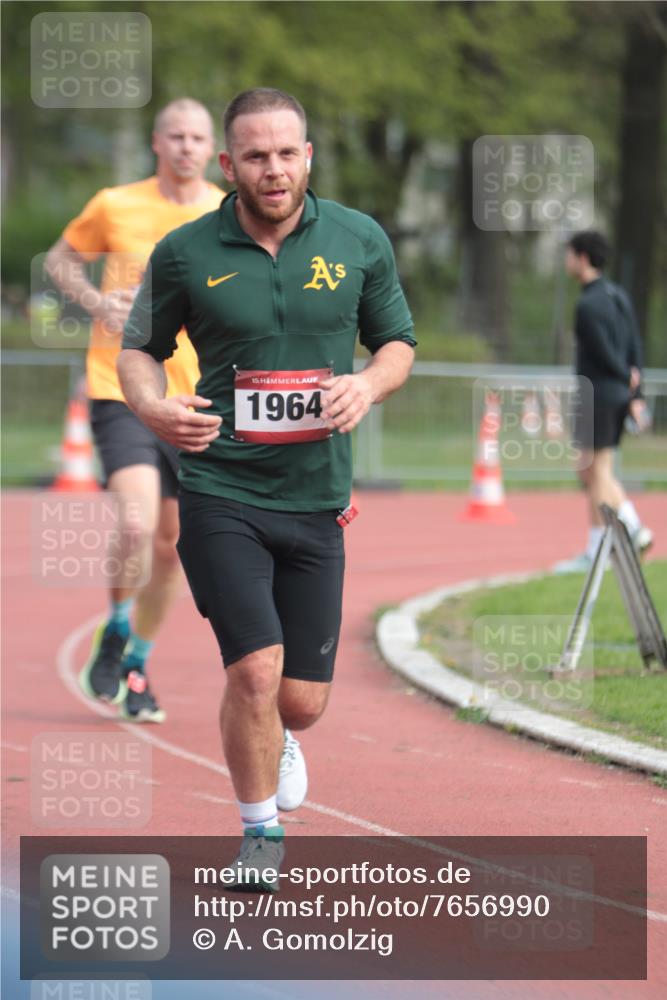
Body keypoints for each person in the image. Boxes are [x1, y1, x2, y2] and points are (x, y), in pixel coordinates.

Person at [118, 87, 416, 888]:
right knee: (252, 672)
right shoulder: (185, 252)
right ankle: (259, 835)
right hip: (220, 486)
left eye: (287, 153)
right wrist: (153, 409)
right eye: (255, 155)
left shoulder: (358, 239)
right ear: (229, 164)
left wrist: (368, 384)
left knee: (300, 701)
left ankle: (278, 733)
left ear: (308, 156)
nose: (273, 169)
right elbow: (137, 349)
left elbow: (396, 343)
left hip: (317, 497)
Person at [45, 98, 224, 721]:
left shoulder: (224, 212)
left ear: (212, 149)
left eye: (197, 137)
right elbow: (58, 261)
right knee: (136, 525)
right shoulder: (114, 203)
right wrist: (96, 302)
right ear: (157, 142)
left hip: (193, 397)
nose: (185, 147)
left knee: (173, 549)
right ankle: (117, 625)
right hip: (119, 387)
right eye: (175, 136)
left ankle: (136, 663)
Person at [555, 230, 653, 574]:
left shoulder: (587, 305)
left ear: (582, 257)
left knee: (597, 472)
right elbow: (634, 347)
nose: (565, 261)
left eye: (568, 254)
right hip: (617, 395)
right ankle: (600, 545)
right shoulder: (618, 295)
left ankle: (624, 531)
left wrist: (624, 377)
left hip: (597, 393)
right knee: (592, 469)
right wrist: (635, 393)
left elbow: (604, 352)